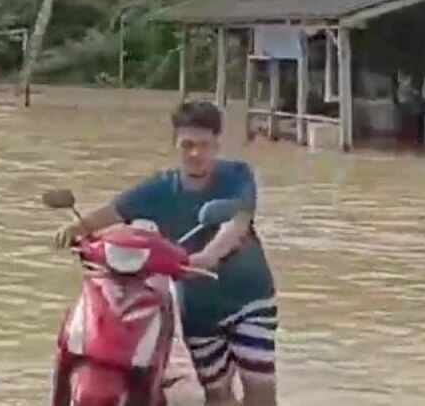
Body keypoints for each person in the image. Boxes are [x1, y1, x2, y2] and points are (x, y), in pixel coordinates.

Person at [51, 101, 277, 406]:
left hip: (249, 299)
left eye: (204, 145)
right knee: (217, 394)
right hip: (198, 309)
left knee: (259, 389)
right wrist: (76, 229)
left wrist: (207, 256)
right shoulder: (160, 188)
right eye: (187, 145)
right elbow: (115, 211)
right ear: (174, 144)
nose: (195, 153)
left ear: (217, 144)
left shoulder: (238, 175)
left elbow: (236, 224)